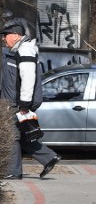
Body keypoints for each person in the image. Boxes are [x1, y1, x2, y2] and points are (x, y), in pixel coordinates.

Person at [1, 18, 61, 180]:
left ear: (15, 35)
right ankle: (49, 157)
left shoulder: (25, 50)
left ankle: (12, 171)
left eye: (5, 35)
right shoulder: (20, 50)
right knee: (22, 135)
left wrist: (24, 105)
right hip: (18, 101)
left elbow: (27, 78)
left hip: (19, 102)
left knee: (12, 135)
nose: (3, 39)